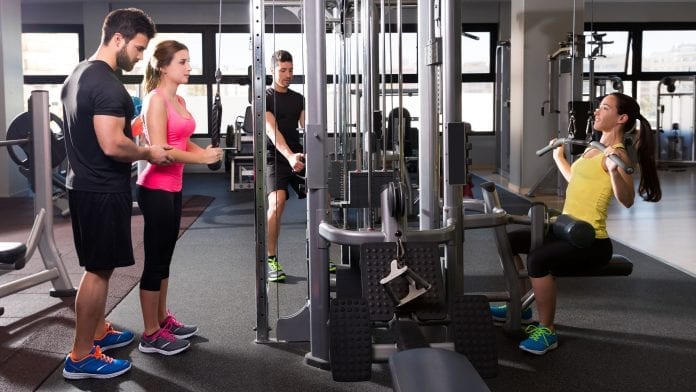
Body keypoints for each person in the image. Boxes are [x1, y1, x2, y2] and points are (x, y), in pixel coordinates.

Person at [491, 92, 662, 355]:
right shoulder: (594, 149)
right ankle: (521, 305)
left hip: (591, 241)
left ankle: (547, 330)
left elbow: (627, 200)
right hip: (567, 230)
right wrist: (559, 158)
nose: (596, 111)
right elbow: (579, 182)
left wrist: (616, 174)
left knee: (538, 260)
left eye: (604, 108)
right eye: (599, 106)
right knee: (511, 240)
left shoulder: (618, 156)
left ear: (621, 118)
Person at [61, 8, 170, 380]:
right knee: (98, 272)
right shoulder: (107, 84)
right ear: (119, 39)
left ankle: (98, 331)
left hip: (83, 185)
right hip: (102, 190)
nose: (140, 57)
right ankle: (79, 357)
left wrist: (130, 125)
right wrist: (147, 151)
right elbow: (112, 144)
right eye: (139, 48)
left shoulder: (78, 74)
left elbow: (95, 132)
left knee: (98, 267)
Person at [136, 40, 222, 355]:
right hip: (155, 188)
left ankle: (162, 320)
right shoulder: (155, 100)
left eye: (188, 62)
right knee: (155, 260)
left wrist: (209, 154)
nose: (189, 67)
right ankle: (149, 335)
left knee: (165, 259)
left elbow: (184, 143)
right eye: (182, 62)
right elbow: (161, 152)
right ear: (163, 66)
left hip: (173, 189)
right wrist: (201, 160)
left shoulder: (180, 99)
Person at [264, 50, 306, 283]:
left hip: (298, 154)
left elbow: (308, 126)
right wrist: (289, 156)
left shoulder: (299, 98)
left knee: (325, 198)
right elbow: (272, 131)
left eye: (291, 70)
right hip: (275, 156)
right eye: (283, 70)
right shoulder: (265, 97)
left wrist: (308, 154)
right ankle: (271, 258)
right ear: (272, 70)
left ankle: (323, 254)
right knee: (277, 202)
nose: (288, 74)